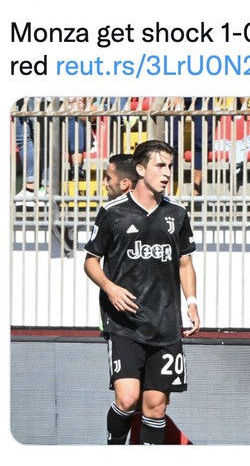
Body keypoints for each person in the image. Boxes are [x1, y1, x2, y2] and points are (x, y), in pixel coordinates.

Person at [84, 140, 200, 445]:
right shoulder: (113, 213)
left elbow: (185, 263)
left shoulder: (177, 213)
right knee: (127, 399)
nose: (167, 173)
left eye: (170, 166)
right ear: (140, 169)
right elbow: (91, 262)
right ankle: (114, 447)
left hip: (166, 325)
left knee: (156, 407)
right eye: (160, 165)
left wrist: (191, 302)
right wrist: (109, 287)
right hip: (125, 324)